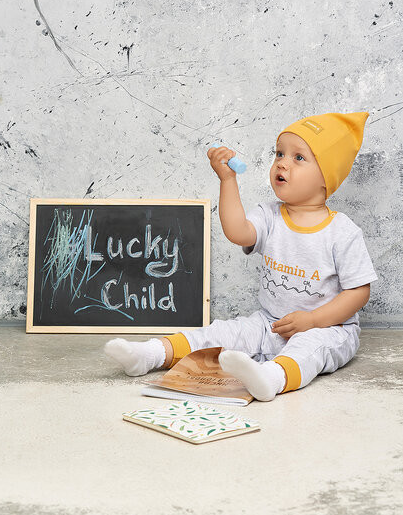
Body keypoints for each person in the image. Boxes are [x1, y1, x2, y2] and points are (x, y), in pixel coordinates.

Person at [104, 111, 378, 401]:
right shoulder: (270, 215)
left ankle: (271, 378)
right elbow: (238, 232)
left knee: (309, 349)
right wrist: (227, 180)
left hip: (328, 329)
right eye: (279, 153)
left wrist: (312, 320)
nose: (282, 162)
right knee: (221, 332)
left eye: (298, 157)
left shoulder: (342, 232)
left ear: (326, 177)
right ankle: (150, 354)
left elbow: (359, 292)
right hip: (268, 323)